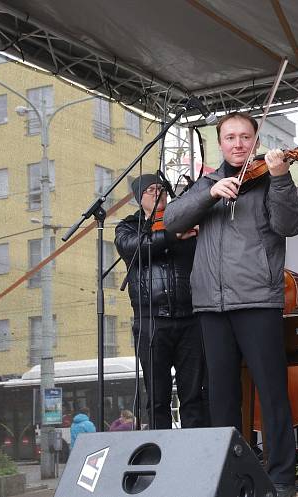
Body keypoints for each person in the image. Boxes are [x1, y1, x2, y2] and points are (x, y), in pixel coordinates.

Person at [163, 112, 298, 497]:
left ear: (256, 142)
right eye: (230, 137)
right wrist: (209, 193)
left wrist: (280, 177)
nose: (238, 143)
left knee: (271, 392)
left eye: (245, 137)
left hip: (257, 299)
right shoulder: (207, 183)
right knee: (221, 397)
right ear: (220, 142)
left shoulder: (271, 177)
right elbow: (171, 219)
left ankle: (280, 478)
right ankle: (230, 476)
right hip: (210, 303)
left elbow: (290, 224)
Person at [115, 174, 209, 430]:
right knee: (157, 398)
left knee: (193, 395)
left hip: (189, 317)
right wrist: (173, 235)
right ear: (139, 197)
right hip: (151, 320)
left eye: (162, 189)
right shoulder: (128, 226)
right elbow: (134, 247)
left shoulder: (184, 222)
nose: (158, 194)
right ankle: (161, 455)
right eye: (151, 190)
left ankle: (195, 455)